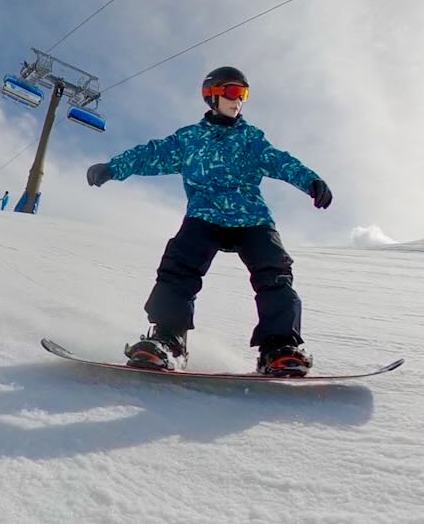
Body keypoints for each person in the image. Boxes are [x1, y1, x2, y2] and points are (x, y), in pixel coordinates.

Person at [85, 66, 332, 376]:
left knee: (275, 271)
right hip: (205, 214)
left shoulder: (251, 139)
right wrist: (113, 168)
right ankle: (169, 340)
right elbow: (152, 154)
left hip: (251, 216)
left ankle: (279, 347)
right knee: (179, 266)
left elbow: (280, 161)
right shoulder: (190, 139)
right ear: (212, 94)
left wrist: (310, 181)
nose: (238, 100)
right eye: (232, 92)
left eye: (244, 94)